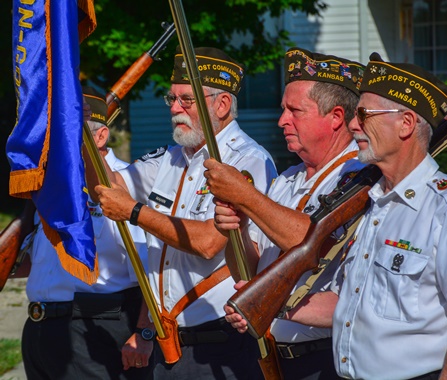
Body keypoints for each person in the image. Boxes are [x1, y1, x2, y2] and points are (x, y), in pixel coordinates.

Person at [227, 53, 447, 379]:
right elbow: (349, 303)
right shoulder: (371, 204)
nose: (354, 124)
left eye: (364, 114)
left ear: (406, 123)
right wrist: (272, 304)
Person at [85, 47, 277, 379]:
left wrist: (134, 212)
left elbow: (208, 242)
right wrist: (82, 136)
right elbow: (108, 184)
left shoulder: (248, 160)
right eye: (171, 99)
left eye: (186, 100)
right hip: (171, 343)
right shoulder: (171, 158)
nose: (175, 109)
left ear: (221, 104)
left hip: (222, 341)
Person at [204, 48, 365, 379]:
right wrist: (234, 228)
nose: (282, 121)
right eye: (283, 110)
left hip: (323, 360)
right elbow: (249, 266)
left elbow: (308, 239)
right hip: (268, 357)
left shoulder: (360, 179)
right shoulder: (288, 180)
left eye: (295, 111)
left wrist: (246, 196)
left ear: (336, 117)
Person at [19, 86, 155, 380]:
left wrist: (144, 333)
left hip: (96, 327)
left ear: (100, 136)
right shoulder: (50, 186)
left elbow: (152, 268)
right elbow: (42, 260)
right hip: (40, 328)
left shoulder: (127, 184)